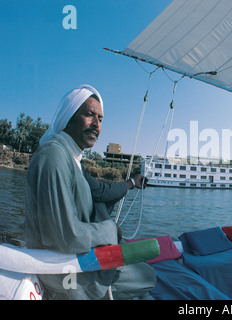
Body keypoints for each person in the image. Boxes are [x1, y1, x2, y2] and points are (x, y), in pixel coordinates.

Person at [24, 84, 156, 300]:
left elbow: (99, 193)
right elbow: (67, 236)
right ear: (69, 117)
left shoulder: (72, 159)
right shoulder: (53, 157)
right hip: (63, 274)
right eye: (89, 115)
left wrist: (129, 184)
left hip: (75, 259)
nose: (96, 125)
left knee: (145, 275)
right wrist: (109, 230)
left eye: (101, 119)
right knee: (148, 277)